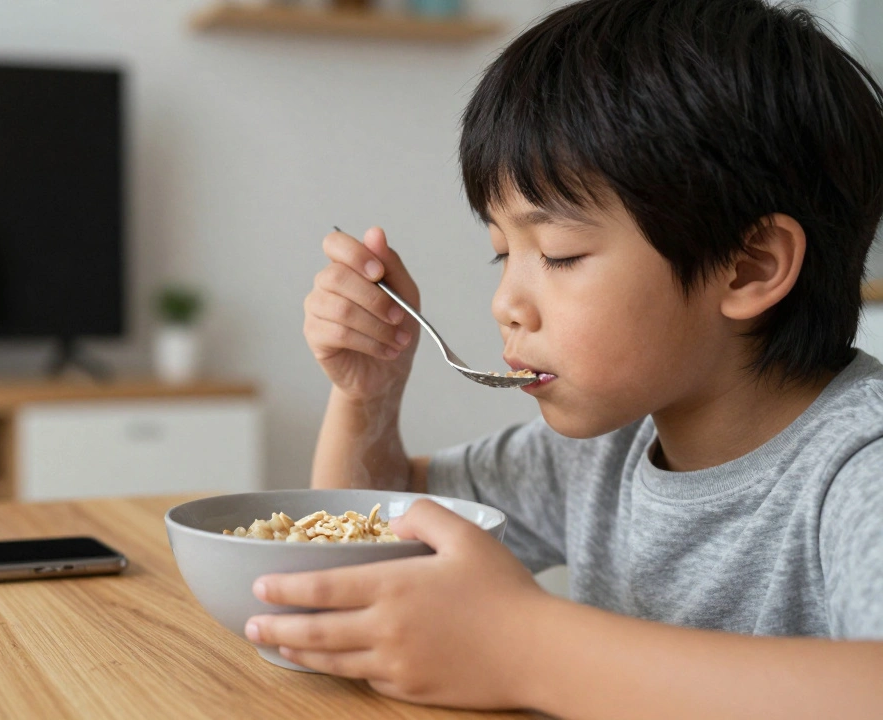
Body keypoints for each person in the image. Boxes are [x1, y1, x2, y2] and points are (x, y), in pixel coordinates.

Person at [243, 0, 883, 717]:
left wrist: (526, 647)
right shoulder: (602, 449)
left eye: (558, 255)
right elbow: (384, 535)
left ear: (748, 268)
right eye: (502, 253)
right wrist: (368, 394)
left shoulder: (862, 466)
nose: (505, 303)